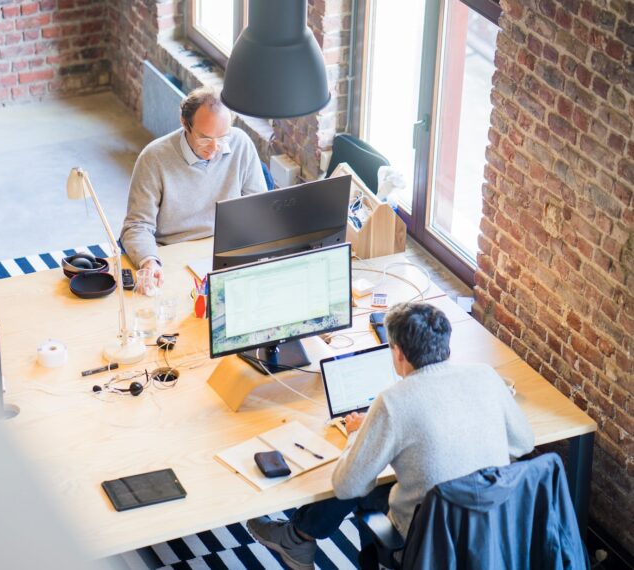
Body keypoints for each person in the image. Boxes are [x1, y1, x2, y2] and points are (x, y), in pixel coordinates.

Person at [247, 302, 535, 570]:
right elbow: (524, 443)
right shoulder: (485, 376)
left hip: (426, 547)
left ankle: (297, 537)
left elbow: (347, 487)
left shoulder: (393, 402)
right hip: (493, 532)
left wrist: (356, 436)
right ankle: (298, 536)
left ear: (398, 353)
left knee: (362, 481)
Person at [120, 86, 267, 291]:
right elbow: (136, 226)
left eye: (222, 137)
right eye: (205, 138)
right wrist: (149, 262)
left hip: (224, 252)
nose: (215, 148)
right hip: (172, 255)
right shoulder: (153, 158)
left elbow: (258, 210)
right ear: (185, 123)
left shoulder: (240, 143)